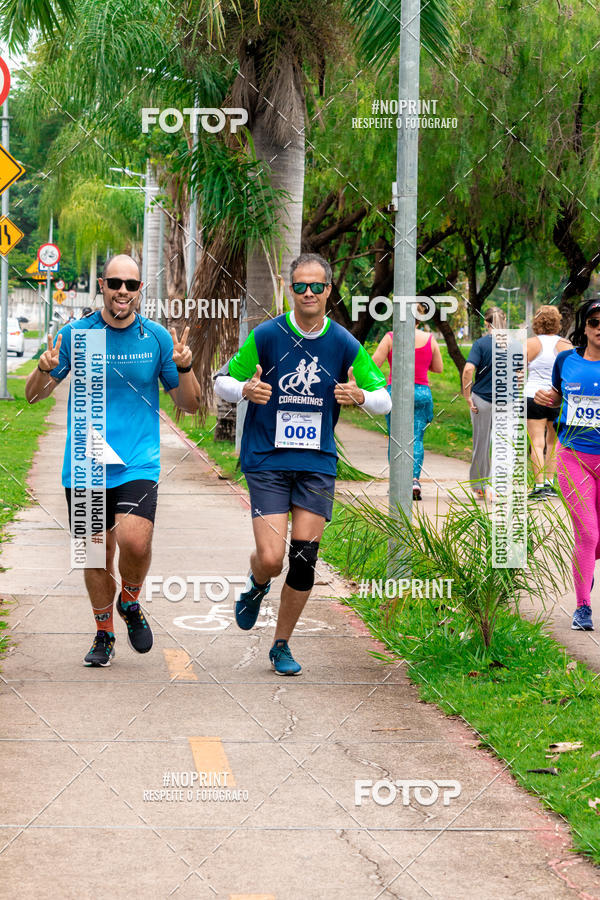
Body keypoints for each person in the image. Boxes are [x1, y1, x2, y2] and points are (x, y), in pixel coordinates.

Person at [214, 252, 391, 675]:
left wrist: (362, 397)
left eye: (316, 286)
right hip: (268, 459)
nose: (308, 293)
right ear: (288, 289)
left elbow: (383, 399)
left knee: (304, 558)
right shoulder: (267, 334)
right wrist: (245, 390)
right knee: (272, 558)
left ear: (329, 290)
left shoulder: (345, 343)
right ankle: (257, 583)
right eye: (300, 286)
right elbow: (222, 381)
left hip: (316, 464)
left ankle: (281, 645)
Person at [25, 254, 201, 665]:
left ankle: (131, 600)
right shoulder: (77, 335)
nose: (123, 290)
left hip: (138, 460)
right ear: (102, 285)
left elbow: (189, 406)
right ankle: (104, 633)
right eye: (116, 282)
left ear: (140, 291)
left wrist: (186, 367)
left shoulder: (155, 338)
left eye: (132, 285)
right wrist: (41, 368)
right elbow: (35, 395)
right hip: (86, 460)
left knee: (134, 541)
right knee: (94, 554)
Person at [535, 298, 600, 632]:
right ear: (585, 327)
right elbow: (558, 395)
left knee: (595, 538)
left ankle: (584, 573)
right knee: (588, 532)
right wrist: (546, 397)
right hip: (573, 456)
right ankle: (583, 606)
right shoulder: (566, 360)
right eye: (595, 321)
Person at [372, 314, 443, 500]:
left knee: (395, 438)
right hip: (421, 393)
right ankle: (413, 480)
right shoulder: (430, 339)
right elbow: (438, 368)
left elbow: (374, 365)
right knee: (417, 438)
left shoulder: (390, 337)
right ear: (420, 319)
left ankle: (396, 483)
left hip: (396, 392)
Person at [525, 306, 572, 499]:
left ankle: (538, 486)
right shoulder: (566, 345)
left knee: (537, 442)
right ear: (557, 321)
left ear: (537, 322)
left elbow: (517, 371)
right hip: (557, 397)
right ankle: (550, 484)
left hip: (533, 395)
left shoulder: (529, 343)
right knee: (553, 442)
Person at [461, 307, 507, 501]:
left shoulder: (480, 344)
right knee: (503, 444)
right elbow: (520, 373)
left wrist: (467, 394)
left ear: (486, 323)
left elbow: (468, 370)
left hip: (482, 399)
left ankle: (480, 486)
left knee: (481, 443)